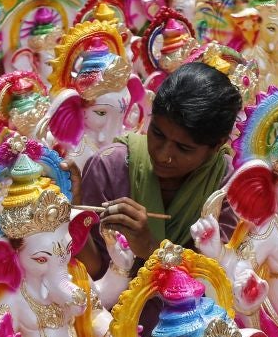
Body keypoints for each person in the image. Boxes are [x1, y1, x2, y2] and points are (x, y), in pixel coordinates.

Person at [75, 61, 242, 279]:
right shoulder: (109, 167)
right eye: (158, 134)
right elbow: (92, 274)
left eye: (184, 148)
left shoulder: (229, 185)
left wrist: (150, 248)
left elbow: (219, 280)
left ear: (217, 145)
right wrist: (75, 215)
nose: (164, 155)